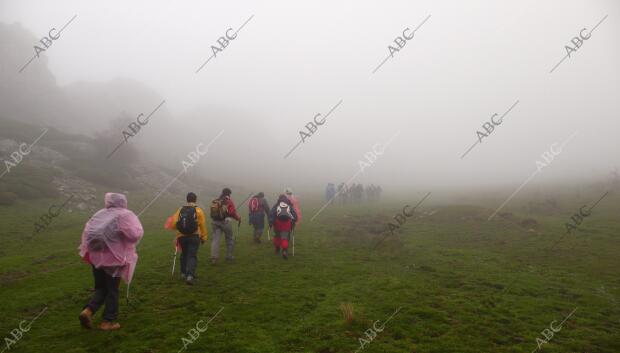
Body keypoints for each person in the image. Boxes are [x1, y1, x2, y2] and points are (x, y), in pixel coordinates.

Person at [78, 193, 143, 331]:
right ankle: (107, 322)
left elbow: (87, 233)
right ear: (123, 202)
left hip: (97, 259)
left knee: (101, 288)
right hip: (114, 261)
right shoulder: (125, 215)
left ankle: (88, 311)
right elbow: (134, 236)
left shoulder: (99, 214)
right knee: (113, 290)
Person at [167, 192, 208, 284]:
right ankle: (190, 276)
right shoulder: (198, 210)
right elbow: (202, 225)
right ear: (195, 200)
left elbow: (174, 224)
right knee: (192, 255)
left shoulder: (180, 209)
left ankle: (183, 273)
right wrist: (204, 237)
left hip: (181, 236)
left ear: (187, 199)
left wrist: (178, 230)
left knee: (184, 254)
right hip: (194, 236)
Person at [209, 187, 241, 264]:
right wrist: (238, 218)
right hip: (225, 222)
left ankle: (214, 258)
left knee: (215, 240)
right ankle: (229, 256)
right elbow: (232, 213)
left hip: (215, 222)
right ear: (229, 194)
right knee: (229, 239)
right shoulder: (228, 201)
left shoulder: (216, 200)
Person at [268, 194, 298, 259]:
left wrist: (270, 223)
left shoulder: (276, 205)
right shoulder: (289, 205)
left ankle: (277, 249)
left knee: (277, 237)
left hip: (277, 224)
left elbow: (271, 214)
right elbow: (295, 216)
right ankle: (284, 251)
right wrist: (293, 222)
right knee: (285, 238)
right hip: (287, 224)